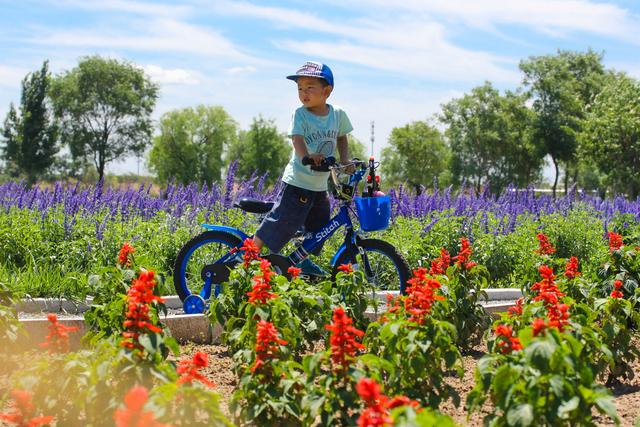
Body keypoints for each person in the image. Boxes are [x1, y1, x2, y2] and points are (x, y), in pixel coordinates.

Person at [253, 61, 353, 277]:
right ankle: (249, 256)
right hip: (298, 182)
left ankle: (301, 262)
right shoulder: (300, 114)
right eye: (300, 88)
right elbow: (297, 139)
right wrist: (307, 156)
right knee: (282, 222)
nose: (303, 93)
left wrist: (345, 160)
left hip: (319, 186)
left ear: (327, 91)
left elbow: (342, 137)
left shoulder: (337, 114)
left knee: (319, 228)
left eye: (310, 87)